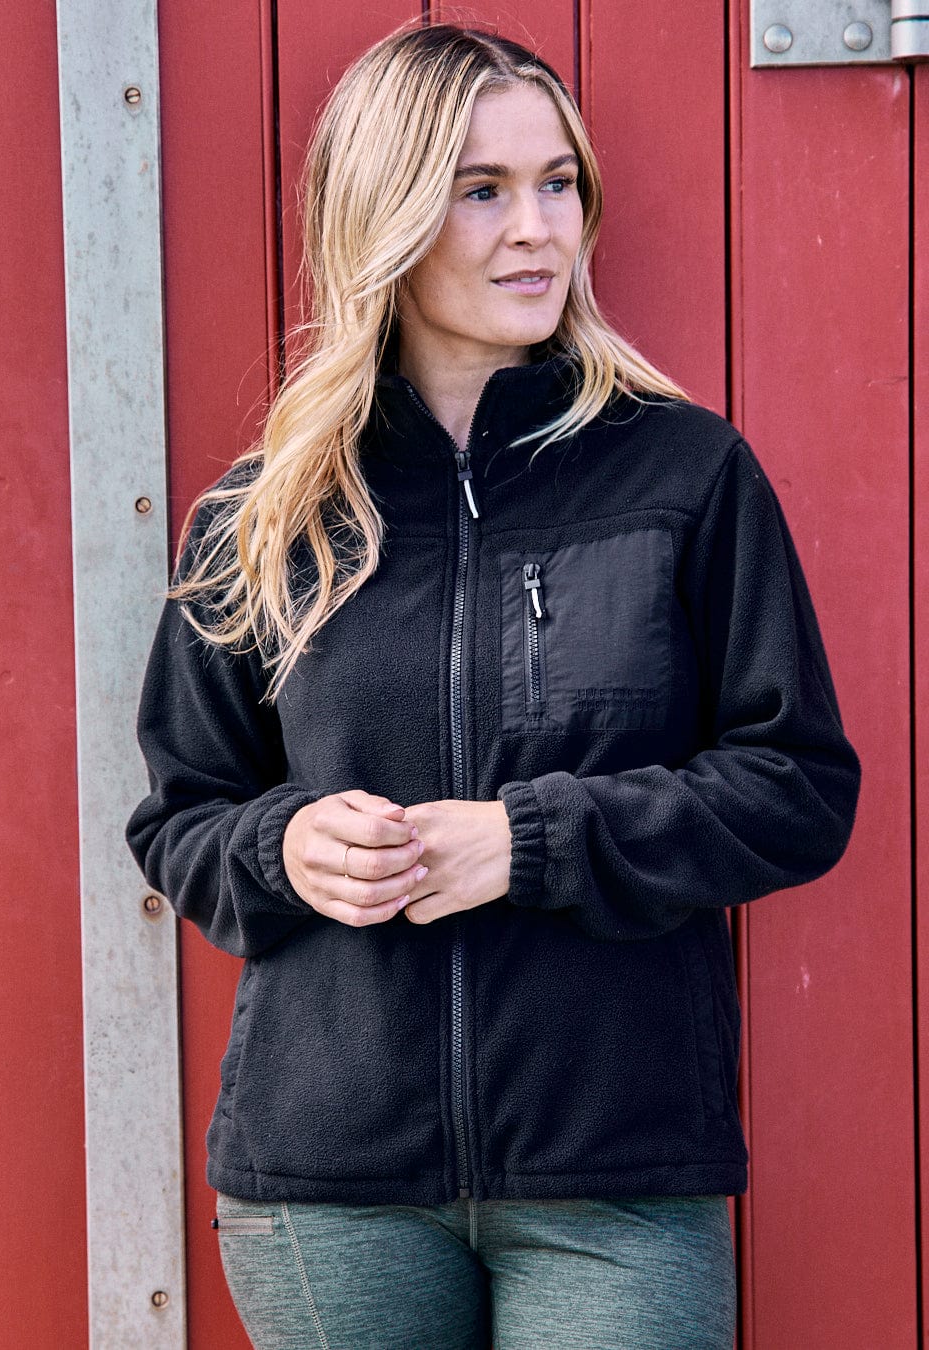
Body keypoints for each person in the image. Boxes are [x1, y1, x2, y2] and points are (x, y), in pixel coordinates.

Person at [127, 23, 860, 1350]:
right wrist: (285, 845)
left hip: (615, 1176)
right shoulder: (267, 514)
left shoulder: (685, 477)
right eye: (481, 189)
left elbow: (796, 787)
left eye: (558, 182)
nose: (537, 229)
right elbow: (180, 818)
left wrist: (531, 841)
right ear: (387, 215)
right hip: (333, 1188)